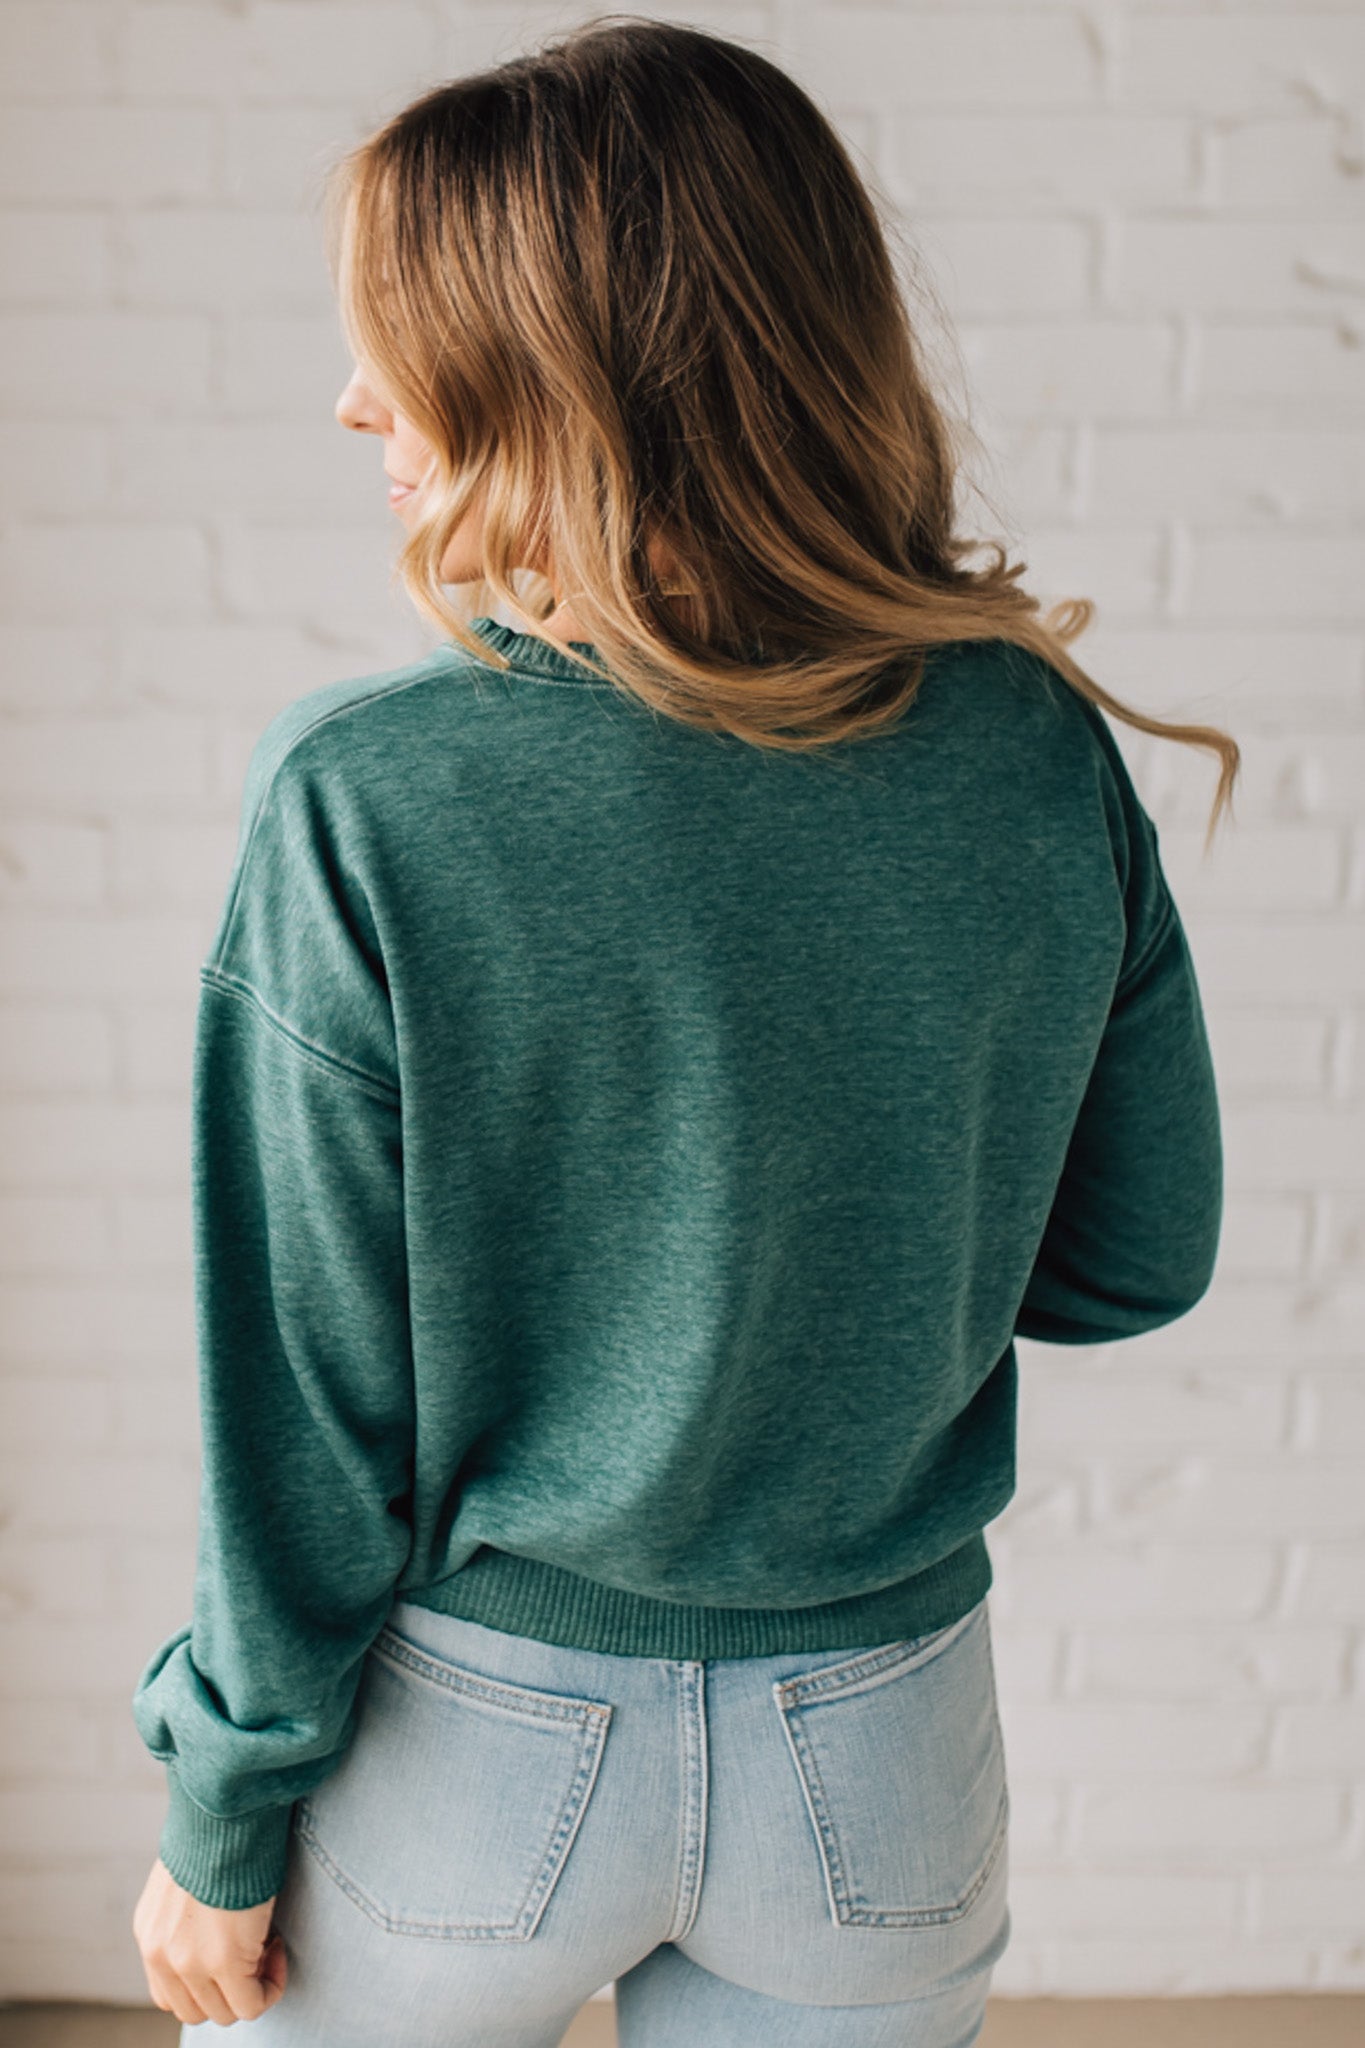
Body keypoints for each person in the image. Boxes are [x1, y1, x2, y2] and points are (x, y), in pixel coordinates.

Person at [128, 14, 1234, 2044]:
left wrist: (220, 1805)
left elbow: (301, 1405)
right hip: (881, 1742)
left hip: (474, 1753)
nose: (354, 397)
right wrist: (845, 1267)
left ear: (560, 380)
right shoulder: (1027, 748)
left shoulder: (368, 794)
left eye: (405, 344)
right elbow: (1133, 1258)